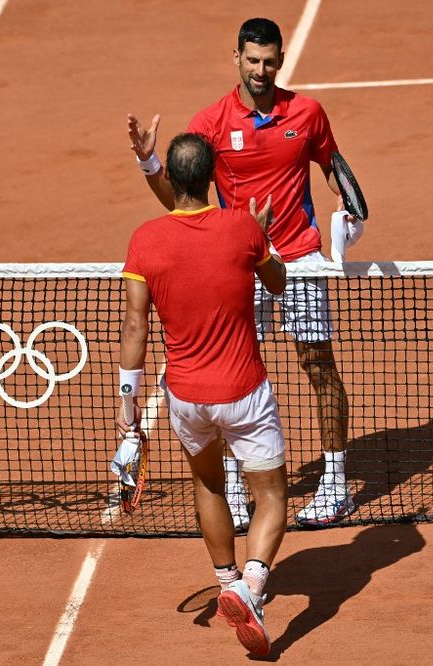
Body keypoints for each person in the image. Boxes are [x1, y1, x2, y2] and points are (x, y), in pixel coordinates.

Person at [126, 17, 355, 528]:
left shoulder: (308, 113)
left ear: (280, 61)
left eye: (269, 61)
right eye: (252, 60)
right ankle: (232, 487)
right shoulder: (210, 123)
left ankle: (336, 484)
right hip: (237, 263)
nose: (260, 70)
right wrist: (149, 163)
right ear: (237, 58)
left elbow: (331, 164)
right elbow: (182, 202)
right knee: (230, 372)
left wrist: (345, 202)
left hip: (300, 259)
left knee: (319, 365)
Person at [117, 132, 287, 656]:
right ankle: (251, 585)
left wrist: (127, 408)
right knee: (271, 495)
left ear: (171, 177)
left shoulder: (144, 239)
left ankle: (227, 581)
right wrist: (262, 238)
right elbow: (278, 282)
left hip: (186, 399)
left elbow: (136, 327)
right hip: (243, 391)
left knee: (210, 483)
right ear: (212, 177)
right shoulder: (242, 228)